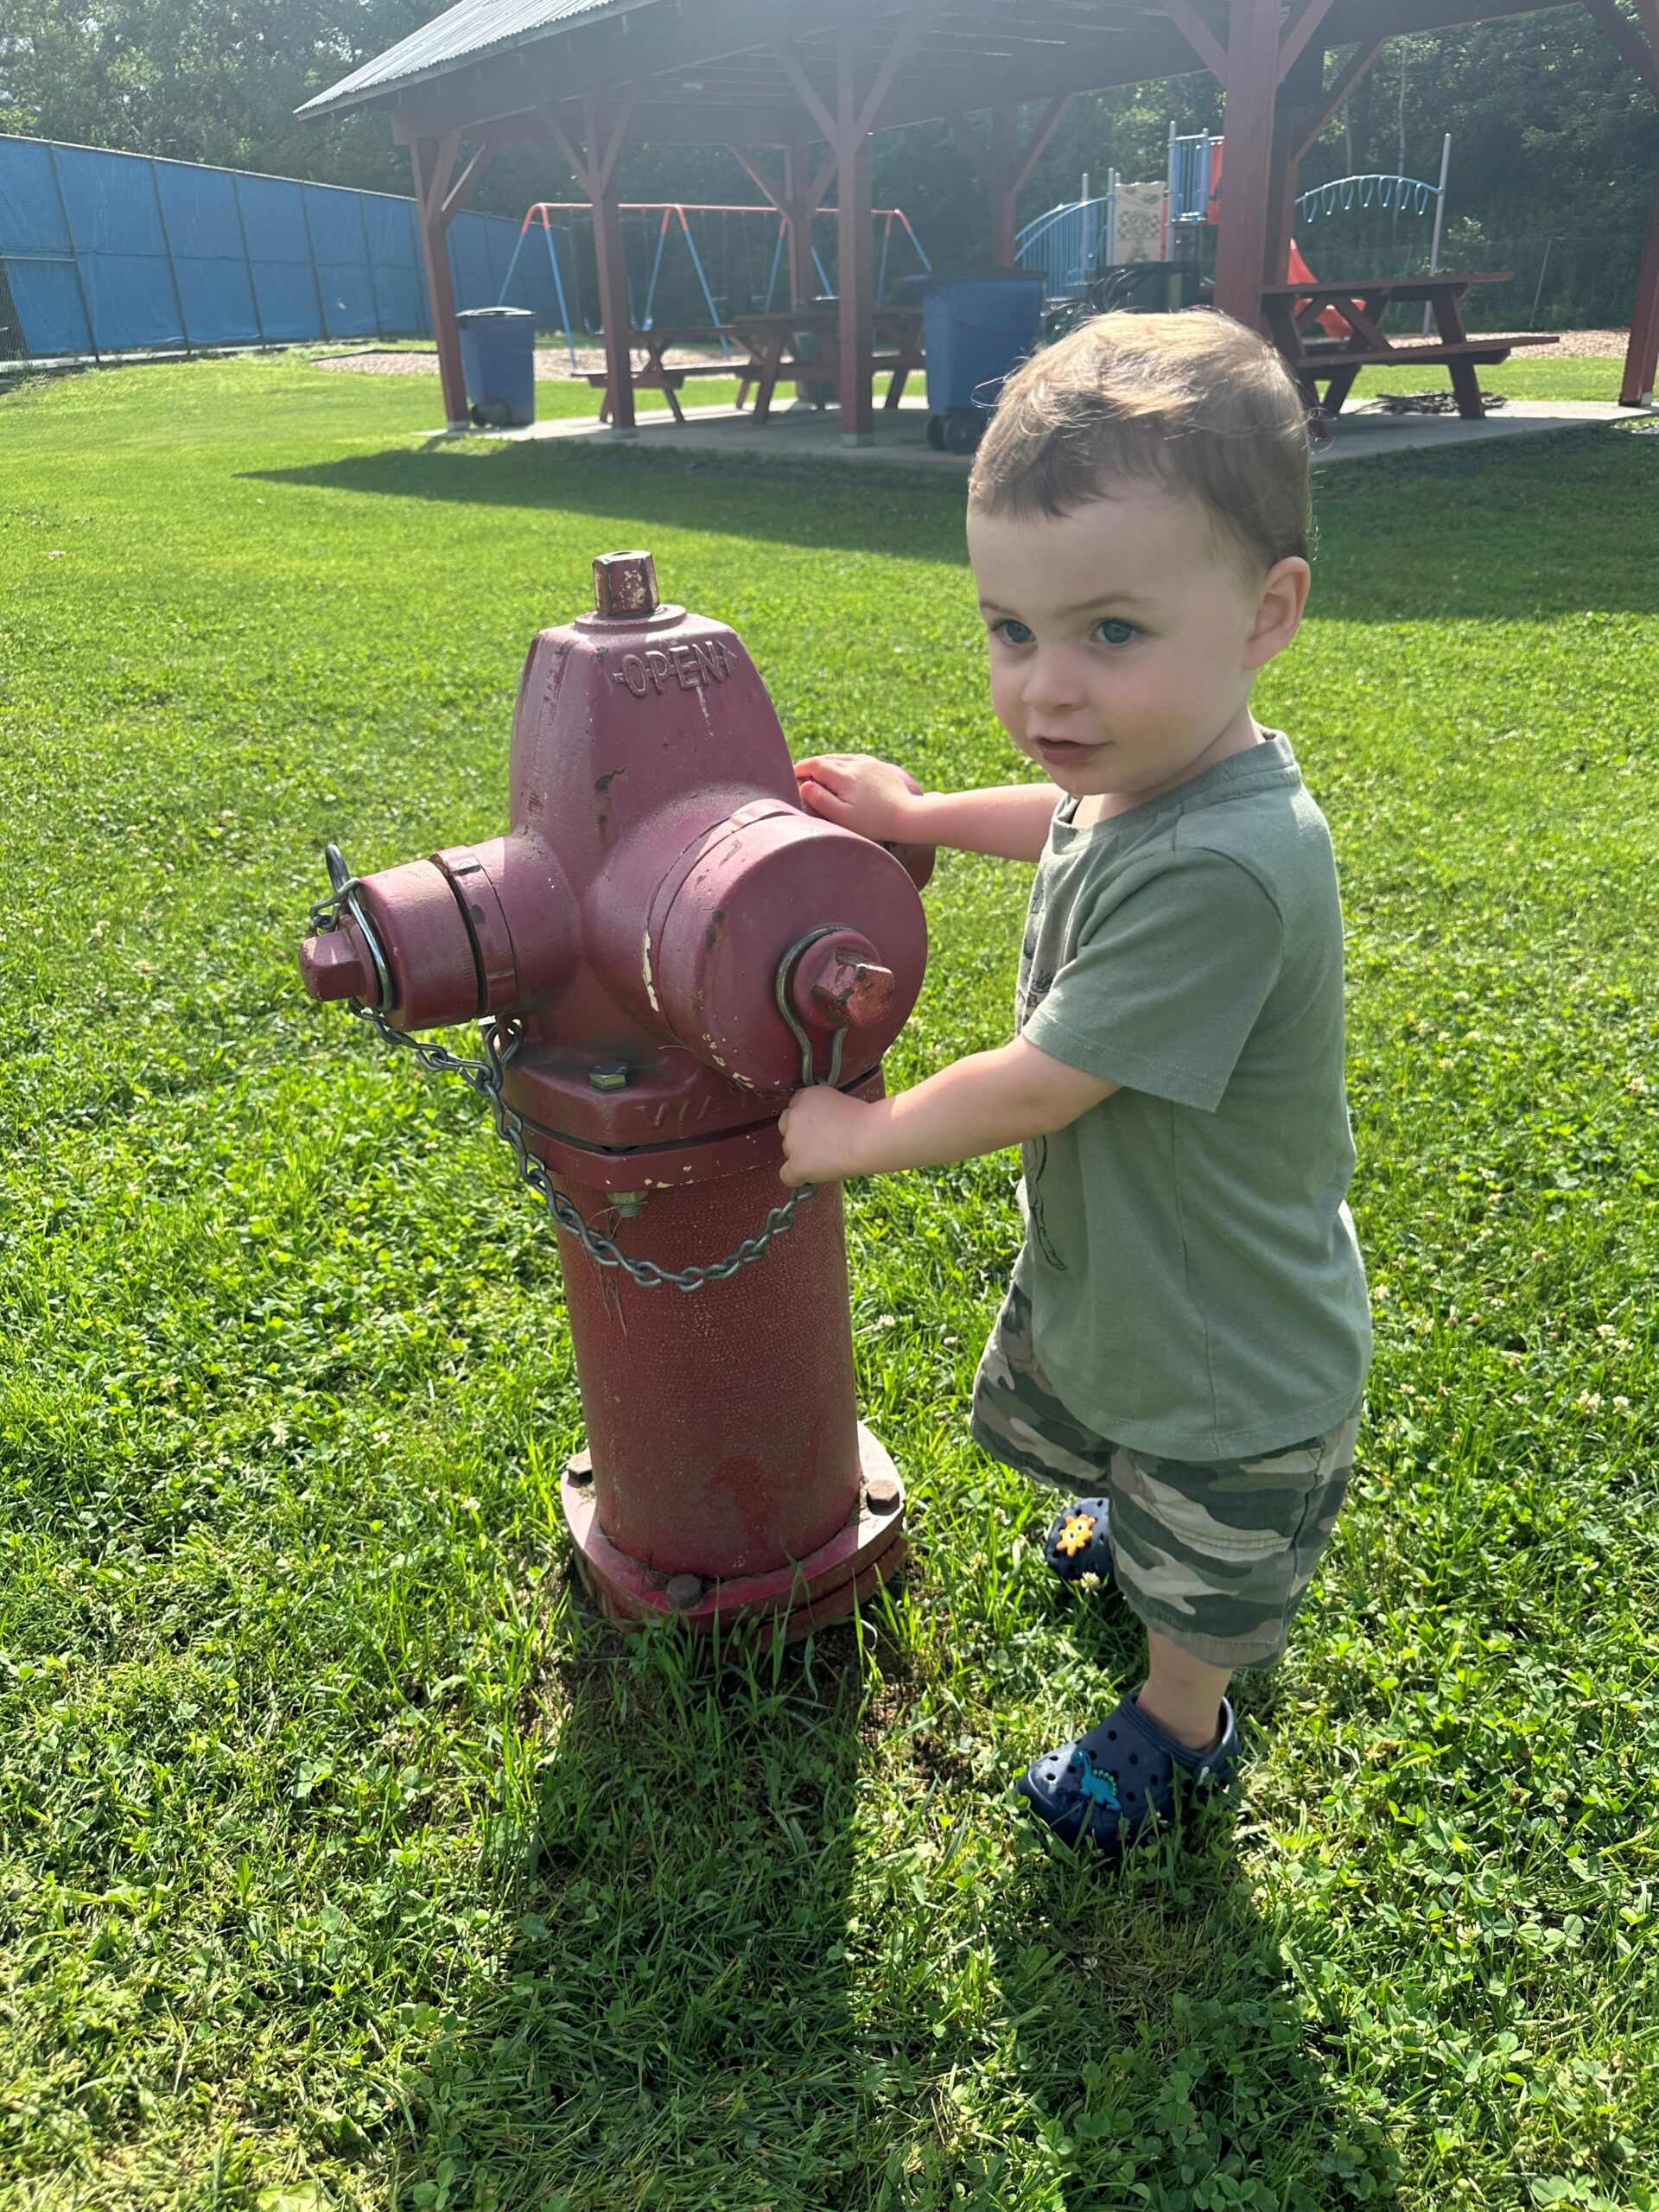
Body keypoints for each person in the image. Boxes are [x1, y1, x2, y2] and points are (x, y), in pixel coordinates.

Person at [779, 310, 1372, 1859]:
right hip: (1141, 1264)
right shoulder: (1143, 772)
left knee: (1201, 1540)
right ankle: (1132, 1525)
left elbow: (1042, 1085)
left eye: (1110, 632)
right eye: (1011, 631)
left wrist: (862, 1134)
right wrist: (918, 810)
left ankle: (1182, 1724)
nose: (1049, 687)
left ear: (1267, 613)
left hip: (1232, 1328)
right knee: (1122, 1410)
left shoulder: (1228, 865)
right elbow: (1052, 811)